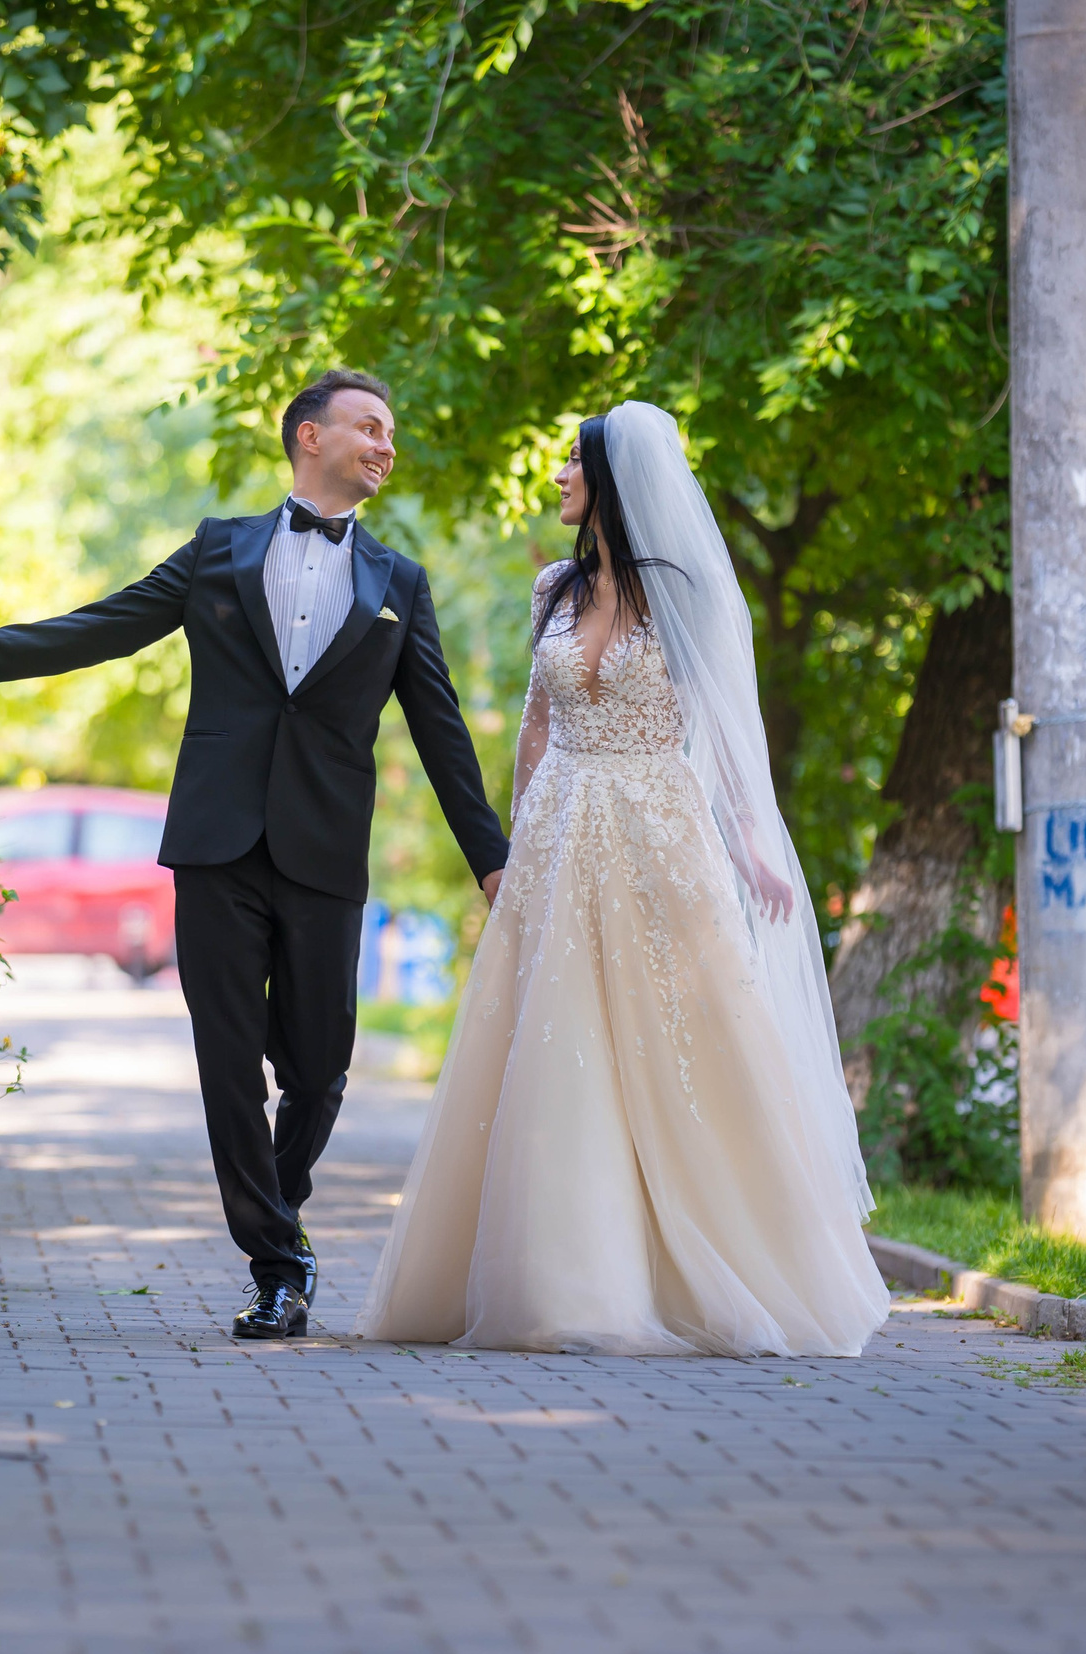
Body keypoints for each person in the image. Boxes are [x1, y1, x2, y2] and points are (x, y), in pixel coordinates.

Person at [0, 370, 509, 1340]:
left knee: (323, 1066)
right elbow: (105, 628)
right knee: (224, 1060)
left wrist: (493, 863)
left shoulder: (398, 585)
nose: (385, 445)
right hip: (216, 842)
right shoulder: (218, 550)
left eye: (390, 431)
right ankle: (277, 1267)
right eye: (368, 427)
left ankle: (275, 1217)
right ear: (307, 436)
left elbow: (443, 734)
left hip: (326, 848)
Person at [355, 401, 889, 1356]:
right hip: (562, 830)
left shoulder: (691, 598)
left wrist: (753, 849)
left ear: (613, 479)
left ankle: (732, 1263)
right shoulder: (553, 588)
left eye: (572, 461)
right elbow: (534, 725)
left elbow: (725, 733)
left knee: (685, 1034)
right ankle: (568, 1280)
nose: (559, 475)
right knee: (559, 1043)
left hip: (660, 830)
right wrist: (513, 851)